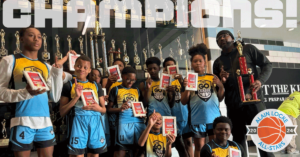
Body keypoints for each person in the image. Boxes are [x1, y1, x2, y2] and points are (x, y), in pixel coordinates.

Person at [0, 26, 73, 157]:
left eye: (39, 36)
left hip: (45, 120)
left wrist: (62, 66)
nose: (36, 39)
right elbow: (1, 92)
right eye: (31, 35)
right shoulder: (10, 60)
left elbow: (67, 78)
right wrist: (25, 92)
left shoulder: (45, 65)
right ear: (21, 39)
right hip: (22, 120)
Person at [213, 30, 274, 157]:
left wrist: (259, 81)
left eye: (225, 35)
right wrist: (222, 82)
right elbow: (219, 89)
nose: (222, 38)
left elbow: (267, 65)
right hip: (233, 105)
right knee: (238, 138)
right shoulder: (218, 63)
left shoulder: (247, 49)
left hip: (254, 101)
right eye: (218, 38)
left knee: (262, 135)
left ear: (232, 38)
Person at [181, 43, 224, 157]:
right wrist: (187, 88)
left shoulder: (212, 77)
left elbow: (220, 98)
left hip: (213, 118)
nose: (198, 63)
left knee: (213, 146)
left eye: (200, 60)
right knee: (199, 147)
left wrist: (220, 85)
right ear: (192, 64)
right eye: (195, 61)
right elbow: (183, 101)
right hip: (197, 119)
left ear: (205, 62)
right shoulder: (188, 79)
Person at [59, 55, 107, 157]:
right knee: (77, 155)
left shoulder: (96, 86)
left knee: (94, 155)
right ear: (74, 66)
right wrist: (76, 97)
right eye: (79, 66)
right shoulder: (69, 85)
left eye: (85, 67)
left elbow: (103, 109)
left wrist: (98, 108)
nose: (81, 69)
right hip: (77, 123)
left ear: (89, 70)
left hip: (95, 124)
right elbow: (62, 112)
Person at [107, 67, 146, 157]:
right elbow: (109, 109)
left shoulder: (136, 90)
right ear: (122, 77)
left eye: (133, 80)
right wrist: (120, 109)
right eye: (128, 79)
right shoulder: (116, 89)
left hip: (138, 122)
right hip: (123, 122)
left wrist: (143, 113)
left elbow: (141, 106)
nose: (130, 82)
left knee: (138, 150)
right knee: (121, 150)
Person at [162, 57, 189, 157]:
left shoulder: (181, 79)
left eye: (172, 65)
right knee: (176, 143)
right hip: (172, 117)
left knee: (188, 144)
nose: (170, 68)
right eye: (167, 66)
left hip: (184, 115)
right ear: (164, 68)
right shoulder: (164, 81)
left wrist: (181, 80)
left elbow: (187, 93)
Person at [88, 68, 111, 154]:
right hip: (92, 116)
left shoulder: (101, 88)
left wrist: (107, 100)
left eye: (98, 75)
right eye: (93, 75)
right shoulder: (89, 86)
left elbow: (106, 107)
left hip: (102, 115)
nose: (96, 77)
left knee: (103, 139)